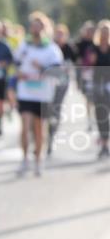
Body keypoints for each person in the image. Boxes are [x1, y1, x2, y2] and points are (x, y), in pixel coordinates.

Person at [14, 11, 64, 176]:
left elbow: (57, 71)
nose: (35, 29)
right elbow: (15, 63)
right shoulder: (24, 46)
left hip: (43, 94)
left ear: (44, 28)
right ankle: (24, 159)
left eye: (39, 26)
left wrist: (41, 68)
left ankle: (38, 159)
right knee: (24, 126)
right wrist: (18, 73)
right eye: (33, 26)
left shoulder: (52, 49)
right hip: (26, 92)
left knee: (39, 129)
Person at [47, 23, 75, 155]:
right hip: (48, 83)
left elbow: (74, 63)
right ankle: (46, 132)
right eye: (57, 34)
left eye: (61, 34)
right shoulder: (49, 47)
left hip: (62, 83)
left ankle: (52, 135)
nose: (59, 36)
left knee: (56, 108)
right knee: (47, 107)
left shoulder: (69, 48)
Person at [91, 20, 110, 159]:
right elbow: (89, 65)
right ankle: (104, 144)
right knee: (101, 115)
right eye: (102, 32)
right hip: (98, 85)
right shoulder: (94, 49)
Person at [76, 20, 98, 131]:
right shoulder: (80, 44)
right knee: (88, 98)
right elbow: (78, 62)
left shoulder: (97, 44)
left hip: (97, 75)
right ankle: (90, 119)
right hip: (85, 75)